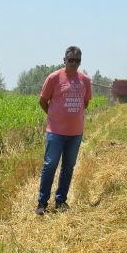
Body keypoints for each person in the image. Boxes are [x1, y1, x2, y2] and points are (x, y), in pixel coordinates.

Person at [36, 46, 92, 215]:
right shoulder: (54, 78)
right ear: (64, 60)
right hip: (55, 132)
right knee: (50, 165)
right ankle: (42, 203)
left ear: (80, 62)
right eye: (70, 60)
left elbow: (85, 103)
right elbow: (42, 101)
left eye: (77, 60)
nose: (73, 63)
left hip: (75, 133)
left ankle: (61, 201)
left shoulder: (85, 81)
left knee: (68, 167)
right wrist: (54, 117)